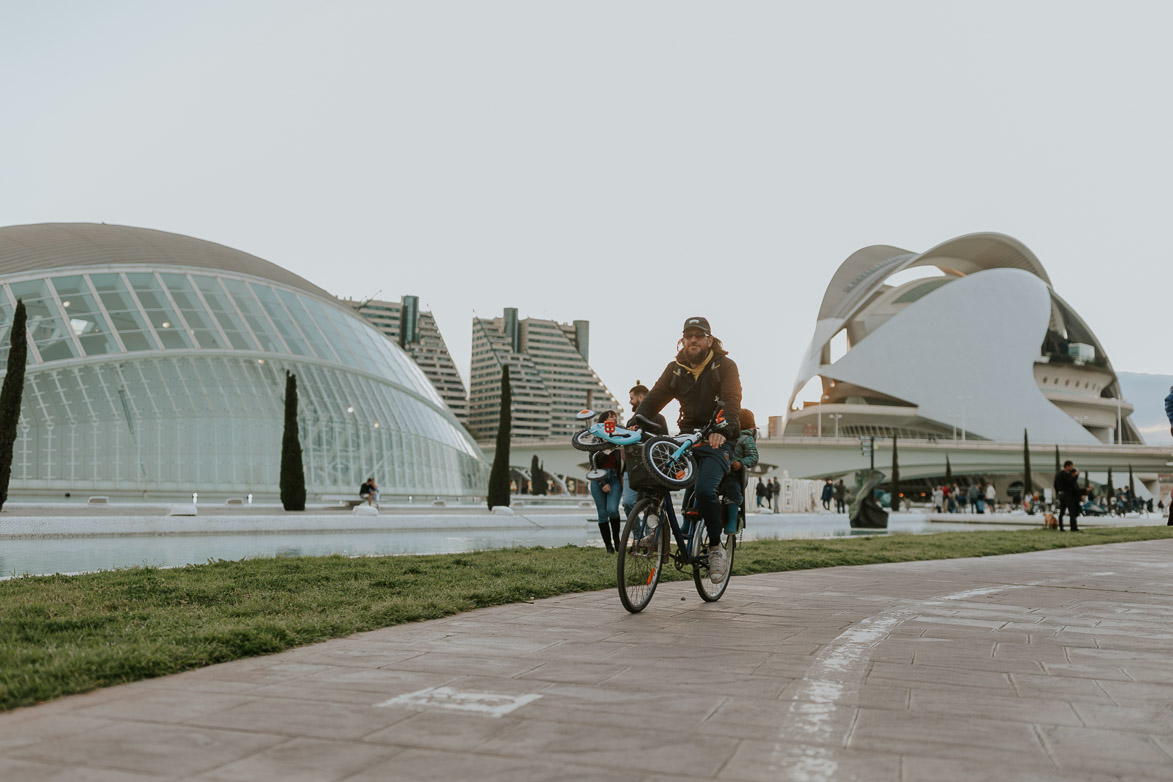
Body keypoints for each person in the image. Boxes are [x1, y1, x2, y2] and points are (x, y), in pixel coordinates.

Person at [632, 316, 742, 582]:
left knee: (705, 490)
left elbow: (731, 399)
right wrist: (635, 426)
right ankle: (654, 526)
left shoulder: (724, 366)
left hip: (718, 437)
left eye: (699, 335)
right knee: (652, 474)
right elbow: (654, 399)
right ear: (682, 340)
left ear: (709, 340)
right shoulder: (676, 368)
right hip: (685, 436)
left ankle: (716, 547)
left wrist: (721, 430)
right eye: (688, 335)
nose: (693, 340)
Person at [621, 383, 669, 519]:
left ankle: (651, 535)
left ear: (641, 397)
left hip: (653, 467)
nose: (630, 401)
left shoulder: (659, 419)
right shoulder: (631, 420)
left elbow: (665, 442)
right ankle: (637, 533)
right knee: (628, 503)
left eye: (632, 398)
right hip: (633, 466)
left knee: (654, 505)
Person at [718, 409, 759, 533]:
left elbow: (753, 457)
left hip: (734, 475)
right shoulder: (724, 435)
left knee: (733, 489)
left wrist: (741, 463)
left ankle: (732, 520)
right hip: (720, 473)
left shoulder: (746, 438)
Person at [588, 411, 623, 553]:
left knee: (613, 510)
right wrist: (602, 483)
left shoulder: (619, 438)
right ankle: (608, 546)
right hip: (598, 478)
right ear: (603, 421)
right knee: (602, 514)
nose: (614, 419)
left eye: (616, 417)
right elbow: (593, 460)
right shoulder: (596, 439)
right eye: (611, 417)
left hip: (615, 478)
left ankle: (617, 541)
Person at [1053, 459, 1082, 532]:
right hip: (1068, 494)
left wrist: (1058, 492)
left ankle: (1061, 527)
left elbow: (1055, 485)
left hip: (1061, 494)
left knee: (1061, 512)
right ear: (1067, 466)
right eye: (1071, 466)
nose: (1072, 468)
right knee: (1072, 511)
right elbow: (1070, 482)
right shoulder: (1065, 474)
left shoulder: (1058, 474)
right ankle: (1073, 528)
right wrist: (1076, 476)